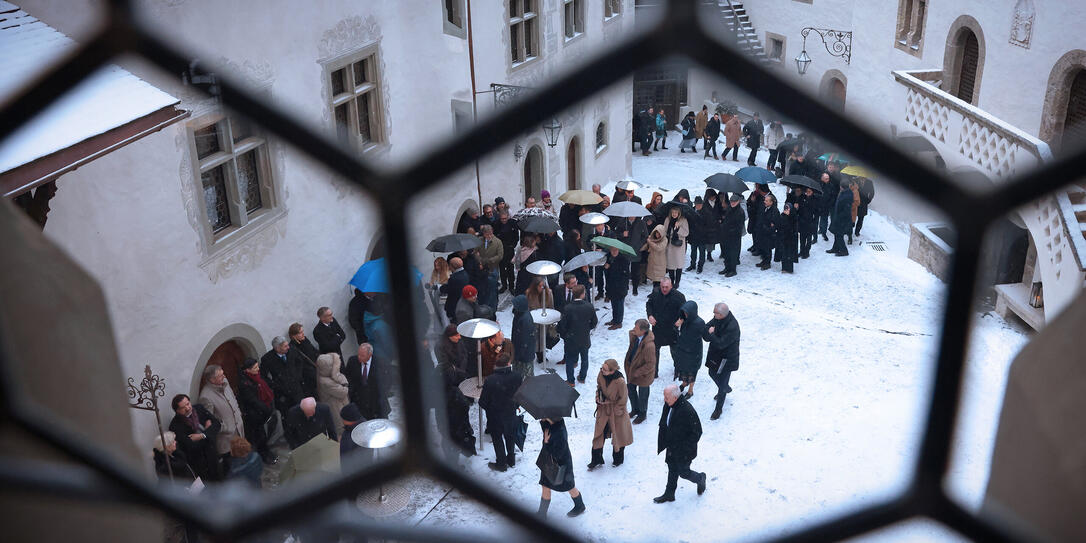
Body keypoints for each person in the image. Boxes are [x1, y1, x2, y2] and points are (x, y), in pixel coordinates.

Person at [653, 384, 706, 503]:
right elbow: (665, 421)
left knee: (683, 472)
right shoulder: (669, 404)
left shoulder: (687, 410)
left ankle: (700, 478)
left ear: (675, 397)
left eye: (666, 397)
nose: (664, 399)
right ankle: (669, 494)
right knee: (672, 468)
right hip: (672, 446)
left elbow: (697, 432)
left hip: (684, 450)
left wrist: (683, 447)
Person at [479, 352, 522, 472]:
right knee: (510, 436)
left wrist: (490, 408)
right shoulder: (517, 376)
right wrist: (515, 405)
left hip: (495, 416)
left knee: (497, 439)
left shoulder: (490, 380)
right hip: (510, 413)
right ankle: (511, 459)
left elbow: (483, 402)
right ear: (508, 363)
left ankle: (501, 463)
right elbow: (520, 395)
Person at [588, 358, 634, 469]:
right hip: (603, 409)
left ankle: (618, 459)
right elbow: (599, 387)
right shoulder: (601, 375)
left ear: (612, 371)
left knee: (618, 435)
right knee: (599, 435)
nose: (602, 370)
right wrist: (598, 398)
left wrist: (617, 410)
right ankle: (596, 459)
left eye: (605, 369)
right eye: (602, 368)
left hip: (617, 412)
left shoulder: (620, 382)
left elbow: (623, 399)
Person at [536, 417, 585, 518]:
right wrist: (543, 422)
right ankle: (541, 514)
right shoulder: (550, 424)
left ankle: (580, 506)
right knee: (545, 485)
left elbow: (558, 453)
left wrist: (546, 443)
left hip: (561, 465)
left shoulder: (560, 431)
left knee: (569, 486)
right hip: (549, 461)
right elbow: (547, 433)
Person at [434, 345, 476, 460]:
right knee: (454, 446)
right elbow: (464, 407)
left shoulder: (437, 391)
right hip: (455, 427)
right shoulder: (454, 393)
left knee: (447, 443)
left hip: (444, 425)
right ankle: (454, 464)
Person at [168, 394, 222, 482]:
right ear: (177, 410)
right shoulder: (175, 426)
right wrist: (209, 432)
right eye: (183, 407)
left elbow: (217, 424)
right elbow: (191, 445)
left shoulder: (199, 409)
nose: (188, 408)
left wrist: (202, 435)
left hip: (213, 455)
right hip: (199, 463)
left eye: (188, 403)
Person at [236, 358, 277, 464]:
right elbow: (253, 400)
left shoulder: (256, 377)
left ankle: (267, 452)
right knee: (260, 437)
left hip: (263, 412)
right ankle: (264, 455)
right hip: (254, 415)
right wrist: (266, 409)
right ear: (247, 370)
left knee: (265, 434)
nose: (258, 369)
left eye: (257, 366)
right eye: (255, 368)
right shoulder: (244, 383)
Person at [703, 302, 740, 420]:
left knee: (723, 382)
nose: (713, 315)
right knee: (711, 373)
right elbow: (706, 327)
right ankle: (725, 389)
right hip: (716, 354)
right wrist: (710, 333)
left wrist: (712, 334)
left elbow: (721, 343)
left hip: (727, 358)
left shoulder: (732, 326)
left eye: (715, 313)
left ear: (722, 314)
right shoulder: (717, 318)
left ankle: (718, 409)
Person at [198, 364, 245, 457]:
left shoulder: (224, 382)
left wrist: (238, 414)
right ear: (212, 380)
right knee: (232, 464)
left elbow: (233, 398)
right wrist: (226, 428)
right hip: (227, 438)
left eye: (223, 374)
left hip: (239, 429)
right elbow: (210, 420)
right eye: (220, 376)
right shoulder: (205, 397)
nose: (224, 376)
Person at [645, 276, 685, 379]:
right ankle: (654, 372)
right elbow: (649, 304)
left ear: (671, 286)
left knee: (675, 352)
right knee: (655, 351)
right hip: (658, 328)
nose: (664, 289)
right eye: (662, 287)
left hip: (672, 329)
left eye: (667, 287)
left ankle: (678, 371)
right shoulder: (656, 292)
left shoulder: (679, 296)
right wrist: (650, 315)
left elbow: (685, 311)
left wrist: (681, 320)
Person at [557, 285, 597, 385]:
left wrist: (566, 335)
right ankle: (582, 377)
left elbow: (563, 325)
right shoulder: (589, 306)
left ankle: (571, 381)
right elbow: (594, 322)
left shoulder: (567, 308)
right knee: (585, 359)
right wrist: (587, 329)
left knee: (570, 360)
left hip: (571, 339)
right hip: (584, 338)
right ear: (583, 294)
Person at [344, 343, 391, 420]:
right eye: (358, 354)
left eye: (362, 355)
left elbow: (388, 379)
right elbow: (348, 377)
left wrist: (382, 392)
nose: (359, 357)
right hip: (360, 403)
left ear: (370, 355)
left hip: (377, 403)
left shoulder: (380, 362)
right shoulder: (352, 361)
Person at [261, 336, 304, 417]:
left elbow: (299, 362)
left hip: (297, 390)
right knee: (289, 416)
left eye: (287, 345)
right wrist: (275, 385)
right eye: (285, 346)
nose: (288, 347)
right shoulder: (267, 359)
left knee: (302, 413)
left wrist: (298, 375)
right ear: (277, 348)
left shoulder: (292, 350)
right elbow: (263, 376)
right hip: (283, 395)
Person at [624, 319, 656, 424]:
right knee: (631, 391)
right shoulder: (636, 337)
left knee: (643, 395)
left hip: (643, 375)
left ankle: (642, 414)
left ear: (643, 331)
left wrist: (637, 372)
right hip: (632, 370)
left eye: (636, 328)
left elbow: (650, 364)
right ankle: (635, 409)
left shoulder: (649, 346)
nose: (633, 329)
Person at [671, 301, 705, 397]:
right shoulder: (683, 320)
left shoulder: (699, 322)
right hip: (683, 349)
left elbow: (704, 336)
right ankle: (685, 383)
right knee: (684, 368)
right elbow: (677, 334)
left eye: (687, 312)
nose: (685, 314)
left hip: (694, 352)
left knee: (692, 371)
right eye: (684, 312)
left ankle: (690, 390)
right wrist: (676, 326)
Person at [316, 353, 350, 435]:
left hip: (339, 406)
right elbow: (343, 392)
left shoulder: (326, 376)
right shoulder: (325, 381)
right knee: (343, 430)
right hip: (336, 409)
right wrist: (338, 376)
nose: (334, 368)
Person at [616, 216, 648, 295]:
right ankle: (625, 286)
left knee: (635, 271)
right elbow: (616, 234)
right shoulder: (622, 221)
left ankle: (635, 288)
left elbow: (645, 236)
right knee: (624, 270)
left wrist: (640, 245)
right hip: (625, 249)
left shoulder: (641, 223)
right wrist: (622, 234)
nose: (631, 216)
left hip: (636, 250)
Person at [718, 194, 746, 277]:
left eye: (734, 201)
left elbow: (739, 227)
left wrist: (729, 231)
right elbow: (726, 220)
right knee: (726, 253)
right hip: (726, 235)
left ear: (738, 202)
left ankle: (733, 270)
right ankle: (727, 267)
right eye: (731, 201)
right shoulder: (729, 208)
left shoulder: (740, 212)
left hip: (734, 237)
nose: (733, 203)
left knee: (733, 254)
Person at [288, 323, 320, 393]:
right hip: (308, 376)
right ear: (294, 336)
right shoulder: (293, 348)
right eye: (300, 333)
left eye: (303, 331)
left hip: (316, 369)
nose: (303, 334)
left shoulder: (305, 340)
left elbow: (313, 350)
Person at [603, 246, 630, 329]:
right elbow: (607, 272)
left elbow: (624, 274)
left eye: (615, 250)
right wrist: (606, 268)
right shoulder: (608, 257)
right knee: (614, 304)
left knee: (619, 304)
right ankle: (615, 319)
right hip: (611, 285)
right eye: (612, 250)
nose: (614, 252)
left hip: (620, 286)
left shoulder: (623, 259)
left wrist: (611, 266)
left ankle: (618, 322)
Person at [511, 294, 537, 378]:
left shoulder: (525, 320)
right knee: (518, 374)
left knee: (526, 377)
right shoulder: (519, 315)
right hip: (520, 351)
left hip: (525, 354)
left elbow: (525, 340)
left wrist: (519, 354)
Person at [479, 224, 504, 309]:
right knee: (483, 289)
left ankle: (493, 307)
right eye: (487, 234)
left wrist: (489, 260)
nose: (489, 236)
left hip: (492, 269)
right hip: (482, 269)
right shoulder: (479, 241)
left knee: (493, 290)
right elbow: (475, 252)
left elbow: (500, 256)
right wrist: (480, 260)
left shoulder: (498, 242)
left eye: (490, 234)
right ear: (484, 234)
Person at [663, 206, 689, 288]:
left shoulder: (683, 220)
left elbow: (686, 232)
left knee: (678, 264)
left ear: (679, 213)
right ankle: (671, 280)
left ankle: (677, 282)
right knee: (670, 264)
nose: (674, 214)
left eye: (676, 212)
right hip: (670, 244)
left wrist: (678, 229)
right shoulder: (668, 219)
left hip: (679, 245)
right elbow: (664, 230)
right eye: (673, 212)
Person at [687, 196, 714, 273]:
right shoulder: (692, 210)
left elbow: (709, 225)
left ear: (702, 204)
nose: (698, 206)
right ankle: (692, 265)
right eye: (697, 204)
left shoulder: (707, 212)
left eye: (700, 204)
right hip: (693, 236)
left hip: (702, 236)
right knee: (693, 252)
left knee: (702, 253)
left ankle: (700, 266)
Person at [495, 210, 520, 293]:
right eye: (502, 219)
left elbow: (516, 236)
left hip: (509, 248)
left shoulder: (512, 223)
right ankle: (504, 285)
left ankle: (511, 286)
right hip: (501, 249)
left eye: (505, 219)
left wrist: (513, 245)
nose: (504, 220)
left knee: (510, 267)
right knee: (502, 268)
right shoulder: (497, 224)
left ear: (508, 217)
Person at [828, 178, 853, 256]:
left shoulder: (846, 195)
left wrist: (839, 217)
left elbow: (846, 210)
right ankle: (835, 248)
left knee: (839, 235)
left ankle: (844, 251)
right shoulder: (845, 193)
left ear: (841, 187)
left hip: (842, 220)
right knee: (837, 233)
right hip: (839, 218)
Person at [756, 193, 780, 270]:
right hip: (762, 232)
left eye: (766, 201)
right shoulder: (765, 208)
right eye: (765, 200)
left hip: (768, 233)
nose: (764, 202)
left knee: (767, 248)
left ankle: (767, 263)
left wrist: (768, 228)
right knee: (763, 247)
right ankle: (764, 261)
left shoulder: (774, 210)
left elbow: (774, 223)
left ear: (771, 202)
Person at [817, 171, 841, 242]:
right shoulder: (818, 185)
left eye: (828, 178)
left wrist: (828, 204)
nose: (828, 180)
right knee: (820, 218)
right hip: (819, 205)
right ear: (822, 178)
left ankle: (823, 232)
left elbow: (833, 197)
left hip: (826, 206)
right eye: (826, 178)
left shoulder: (831, 186)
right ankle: (820, 229)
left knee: (824, 219)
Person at [746, 184, 768, 255]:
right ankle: (755, 245)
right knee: (753, 232)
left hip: (760, 218)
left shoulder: (767, 196)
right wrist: (752, 201)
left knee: (759, 234)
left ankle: (759, 248)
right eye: (756, 186)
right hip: (753, 217)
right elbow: (748, 202)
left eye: (758, 186)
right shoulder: (754, 193)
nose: (756, 188)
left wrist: (754, 202)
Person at [643, 224, 668, 288]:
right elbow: (646, 246)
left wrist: (649, 242)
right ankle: (654, 293)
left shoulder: (664, 240)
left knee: (658, 281)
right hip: (652, 262)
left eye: (659, 233)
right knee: (654, 280)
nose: (658, 235)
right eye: (656, 233)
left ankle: (657, 295)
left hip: (660, 263)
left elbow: (658, 248)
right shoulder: (651, 238)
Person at [797, 187, 819, 259]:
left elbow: (816, 211)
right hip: (802, 221)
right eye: (807, 191)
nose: (808, 192)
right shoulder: (802, 198)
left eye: (809, 191)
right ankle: (802, 250)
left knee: (808, 238)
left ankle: (806, 252)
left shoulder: (815, 199)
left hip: (810, 221)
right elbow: (800, 209)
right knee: (802, 238)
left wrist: (814, 221)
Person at [778, 203, 799, 273]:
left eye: (788, 208)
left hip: (791, 239)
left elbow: (794, 228)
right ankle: (784, 267)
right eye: (785, 208)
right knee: (783, 254)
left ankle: (790, 268)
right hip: (783, 238)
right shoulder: (782, 216)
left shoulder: (793, 217)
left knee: (790, 254)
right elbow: (780, 226)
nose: (786, 210)